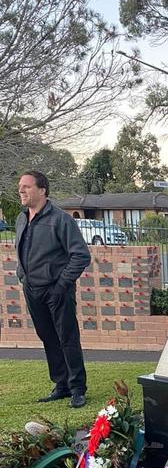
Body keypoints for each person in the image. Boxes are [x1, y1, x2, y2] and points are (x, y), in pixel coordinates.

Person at [15, 171, 90, 408]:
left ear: (42, 190)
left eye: (27, 186)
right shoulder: (21, 219)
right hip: (32, 289)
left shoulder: (60, 219)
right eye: (20, 187)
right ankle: (62, 385)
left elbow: (80, 255)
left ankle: (77, 388)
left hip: (57, 290)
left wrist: (61, 285)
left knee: (67, 338)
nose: (21, 191)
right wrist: (22, 275)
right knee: (47, 337)